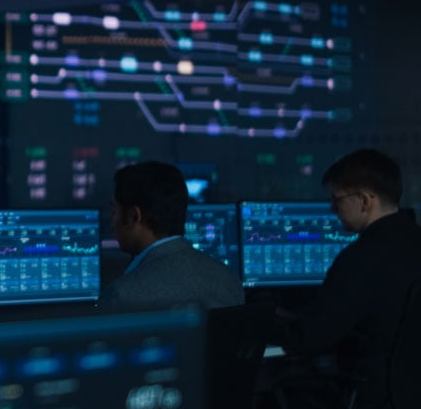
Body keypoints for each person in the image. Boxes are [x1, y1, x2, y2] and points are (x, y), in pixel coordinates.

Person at [276, 148, 421, 407]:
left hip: (373, 395)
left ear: (365, 201)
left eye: (337, 199)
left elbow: (308, 339)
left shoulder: (361, 259)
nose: (332, 208)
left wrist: (266, 320)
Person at [98, 161, 244, 311]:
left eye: (114, 211)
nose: (112, 224)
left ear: (135, 216)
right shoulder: (230, 280)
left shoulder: (120, 296)